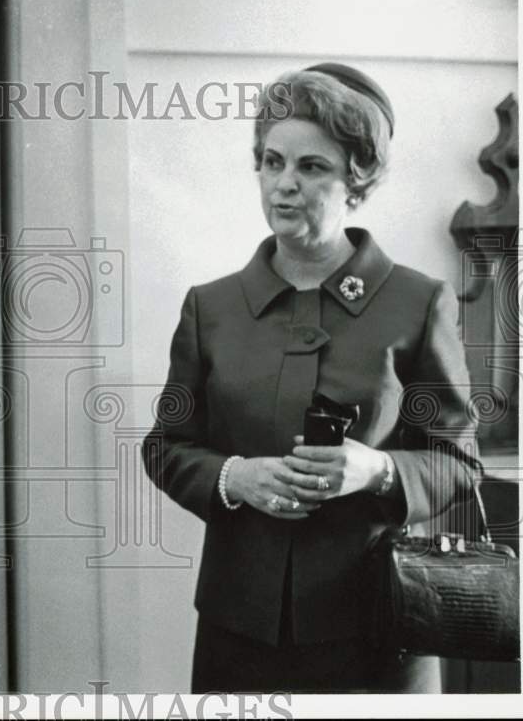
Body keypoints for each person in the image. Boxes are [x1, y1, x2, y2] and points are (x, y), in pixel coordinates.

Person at [142, 64, 479, 693]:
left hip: (383, 629)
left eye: (311, 167)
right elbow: (164, 447)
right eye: (272, 163)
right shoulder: (209, 307)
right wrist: (233, 476)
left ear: (358, 178)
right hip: (238, 635)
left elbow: (459, 462)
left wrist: (376, 470)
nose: (284, 185)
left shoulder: (417, 301)